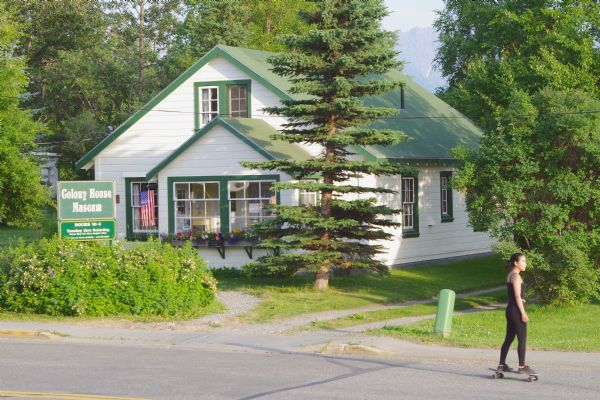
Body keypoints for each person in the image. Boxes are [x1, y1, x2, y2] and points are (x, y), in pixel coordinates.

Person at [497, 252, 535, 374]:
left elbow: (514, 296)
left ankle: (501, 365)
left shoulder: (510, 275)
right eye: (523, 261)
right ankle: (522, 366)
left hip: (510, 309)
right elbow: (518, 296)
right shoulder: (517, 277)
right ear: (516, 263)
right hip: (516, 311)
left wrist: (521, 299)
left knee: (509, 338)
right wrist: (523, 313)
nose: (525, 264)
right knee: (522, 339)